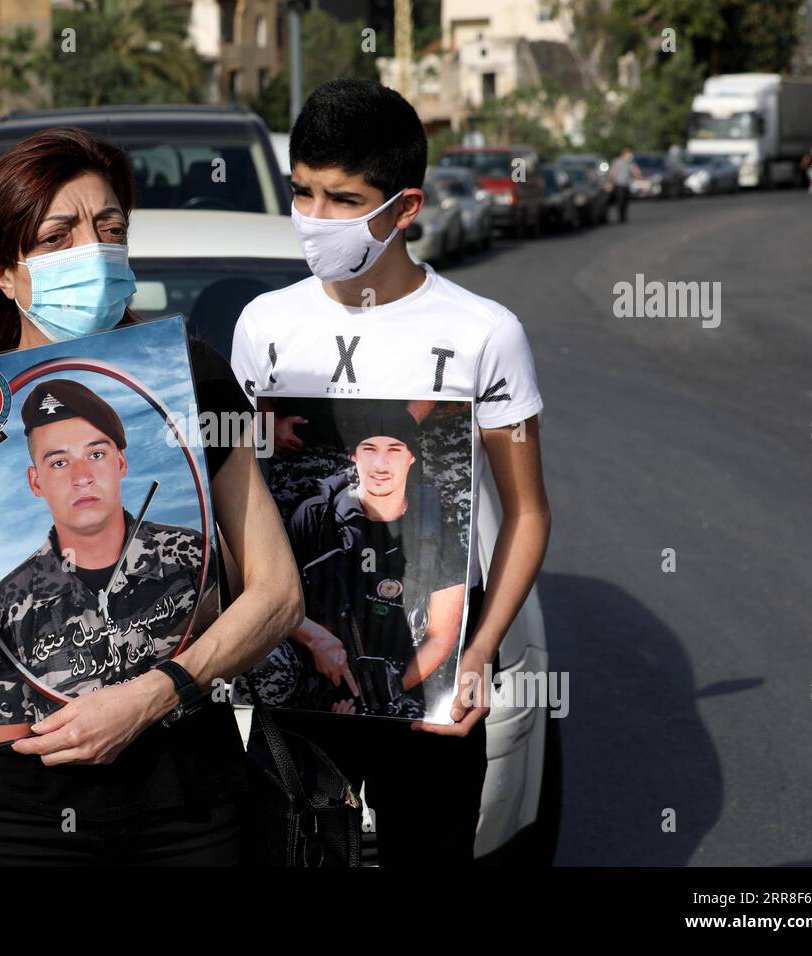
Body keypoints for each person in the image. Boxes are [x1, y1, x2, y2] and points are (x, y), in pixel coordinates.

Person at [0, 128, 303, 866]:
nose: (94, 250)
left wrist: (155, 694)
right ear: (2, 269)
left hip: (191, 807)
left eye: (109, 229)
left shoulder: (194, 378)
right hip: (21, 816)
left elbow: (277, 595)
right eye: (58, 236)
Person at [230, 78, 550, 867]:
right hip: (294, 666)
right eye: (302, 192)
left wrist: (476, 656)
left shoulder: (485, 334)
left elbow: (529, 512)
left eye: (343, 199)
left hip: (432, 676)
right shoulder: (262, 327)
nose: (316, 218)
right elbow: (236, 503)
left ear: (405, 208)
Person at [0, 378, 212, 740]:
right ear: (35, 482)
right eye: (59, 462)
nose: (82, 477)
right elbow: (13, 740)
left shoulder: (190, 556)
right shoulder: (8, 604)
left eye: (96, 454)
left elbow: (237, 660)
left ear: (121, 463)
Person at [240, 404, 469, 721]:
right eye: (370, 449)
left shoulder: (438, 528)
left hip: (398, 673)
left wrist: (378, 694)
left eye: (394, 450)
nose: (381, 464)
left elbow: (441, 637)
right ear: (354, 457)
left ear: (411, 457)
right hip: (312, 657)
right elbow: (265, 590)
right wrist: (313, 637)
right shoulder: (316, 515)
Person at [608, 148, 641, 222]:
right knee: (620, 201)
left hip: (626, 185)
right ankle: (620, 216)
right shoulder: (617, 161)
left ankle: (624, 216)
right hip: (619, 185)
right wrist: (610, 181)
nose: (629, 156)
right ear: (623, 154)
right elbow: (612, 172)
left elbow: (635, 171)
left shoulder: (630, 162)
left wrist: (640, 178)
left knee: (626, 201)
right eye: (628, 154)